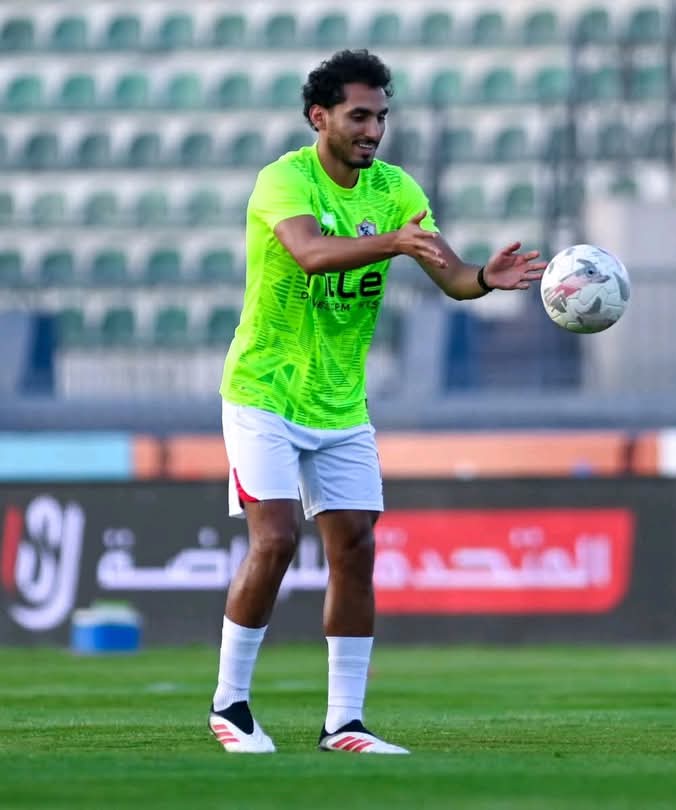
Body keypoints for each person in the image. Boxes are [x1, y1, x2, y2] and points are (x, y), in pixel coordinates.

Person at [209, 48, 546, 755]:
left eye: (381, 118)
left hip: (340, 405)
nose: (373, 131)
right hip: (264, 392)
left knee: (356, 549)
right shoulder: (284, 180)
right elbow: (310, 254)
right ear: (320, 117)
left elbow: (450, 276)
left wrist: (485, 277)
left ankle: (344, 723)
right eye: (359, 116)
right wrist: (392, 242)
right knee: (276, 540)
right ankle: (231, 706)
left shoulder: (394, 189)